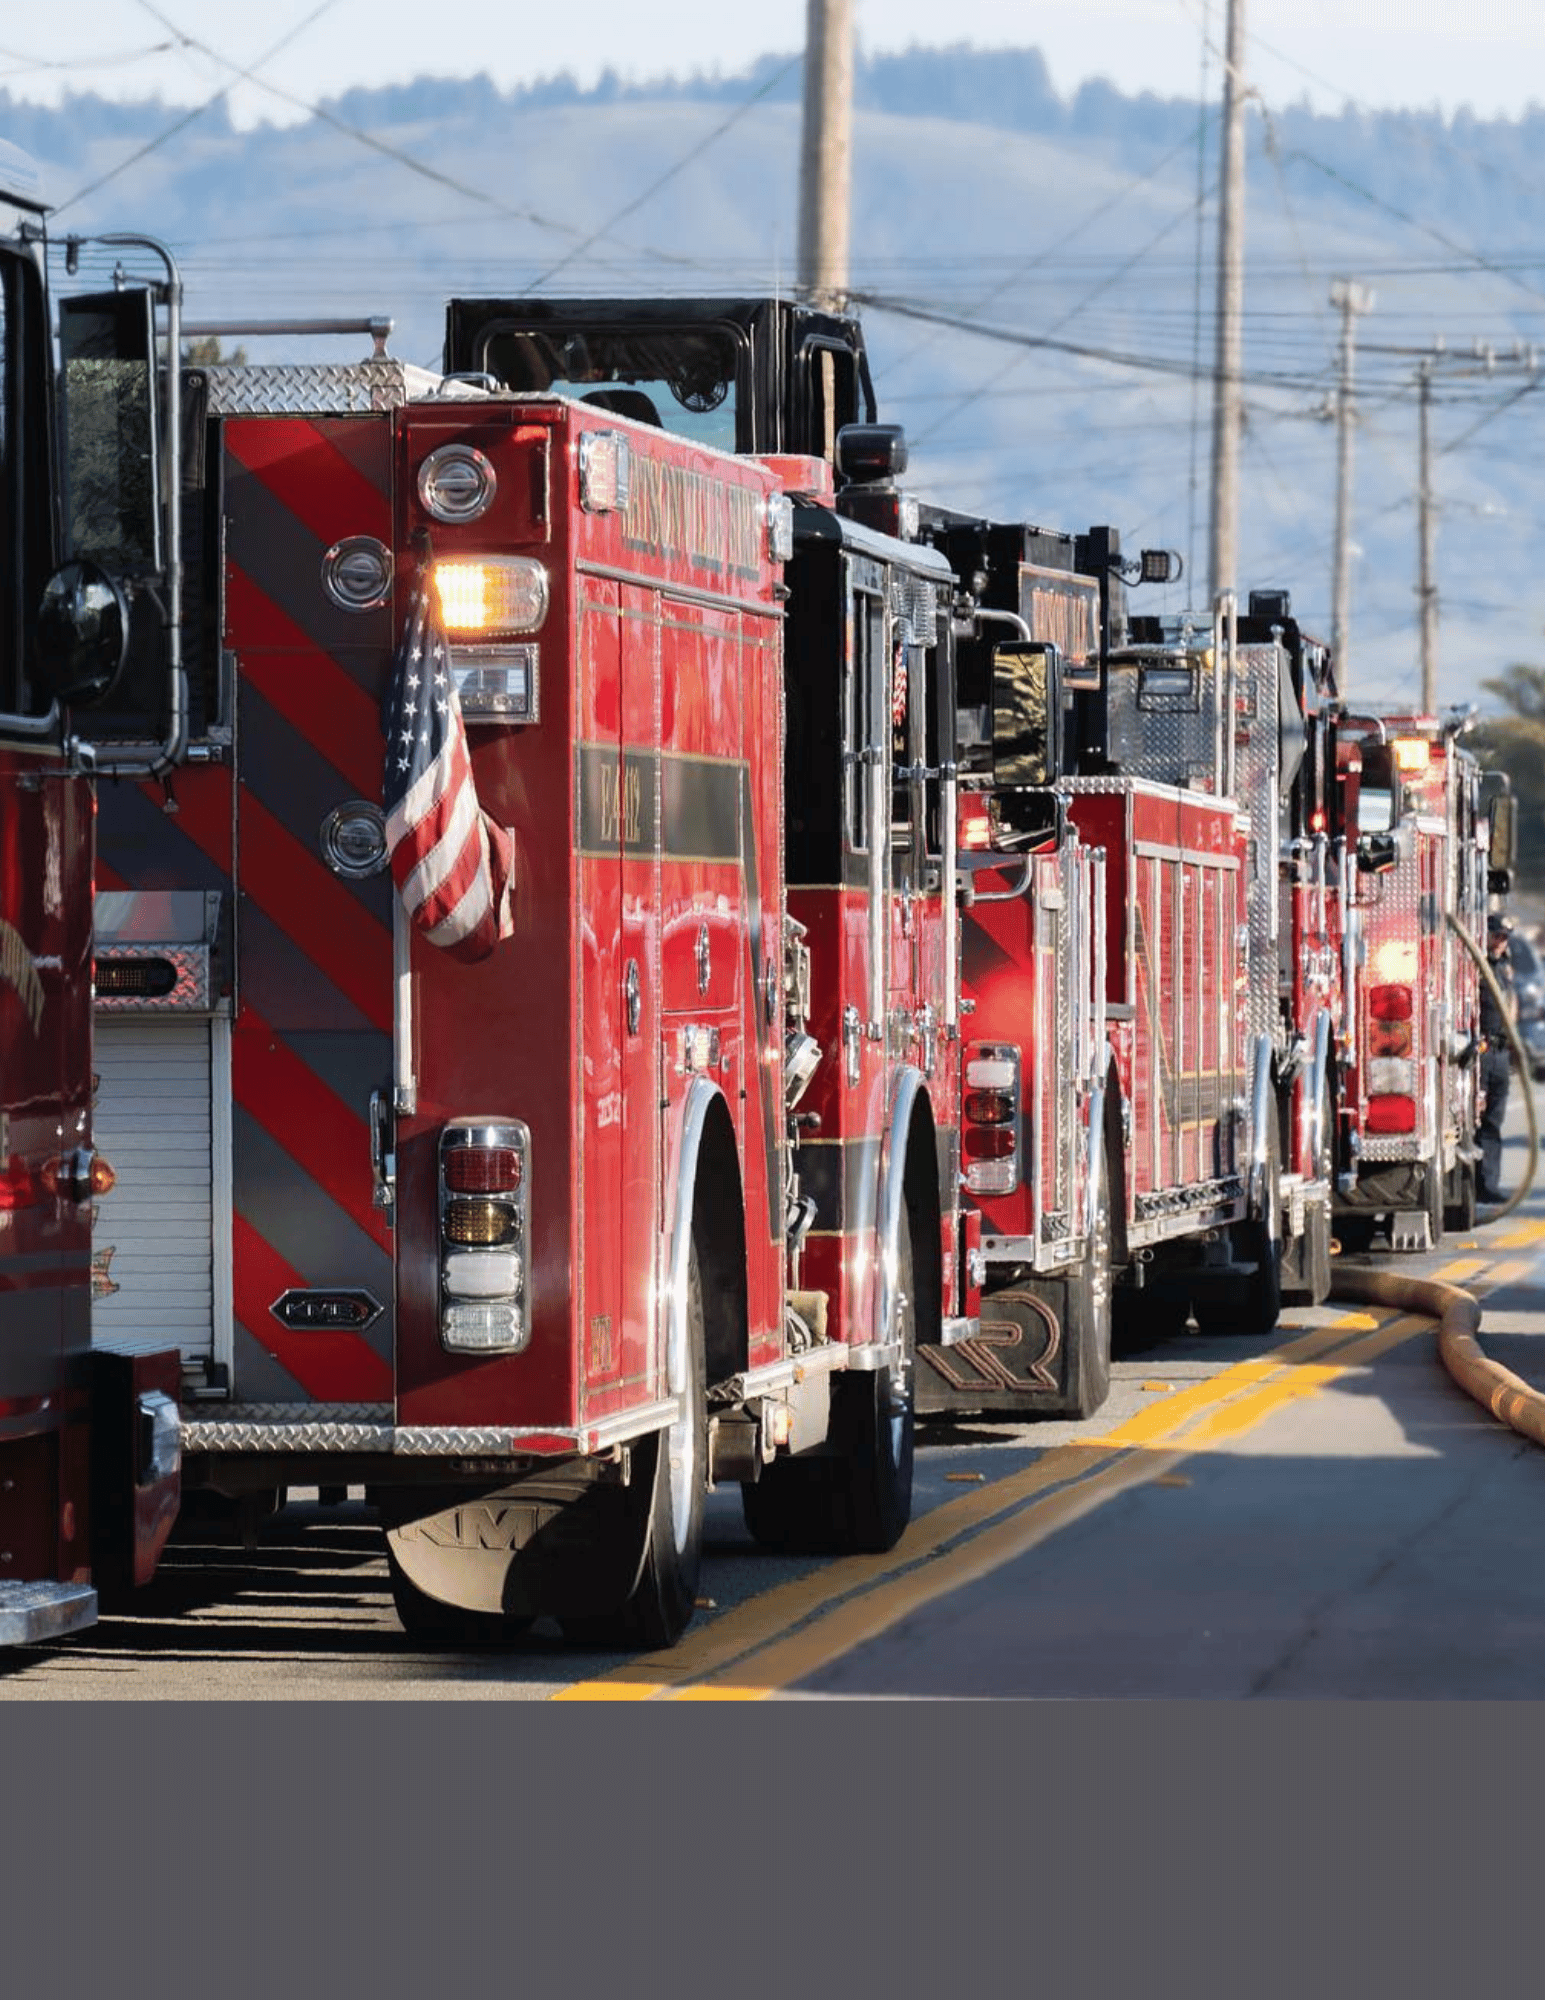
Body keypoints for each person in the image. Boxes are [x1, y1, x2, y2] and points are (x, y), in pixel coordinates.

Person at [1476, 913, 1516, 1203]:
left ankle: (1490, 1184)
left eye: (1504, 937)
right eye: (1497, 936)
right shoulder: (1479, 966)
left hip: (1501, 1052)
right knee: (1478, 1121)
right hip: (1483, 1050)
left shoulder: (1503, 967)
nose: (1501, 942)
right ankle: (1478, 1184)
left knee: (1494, 1120)